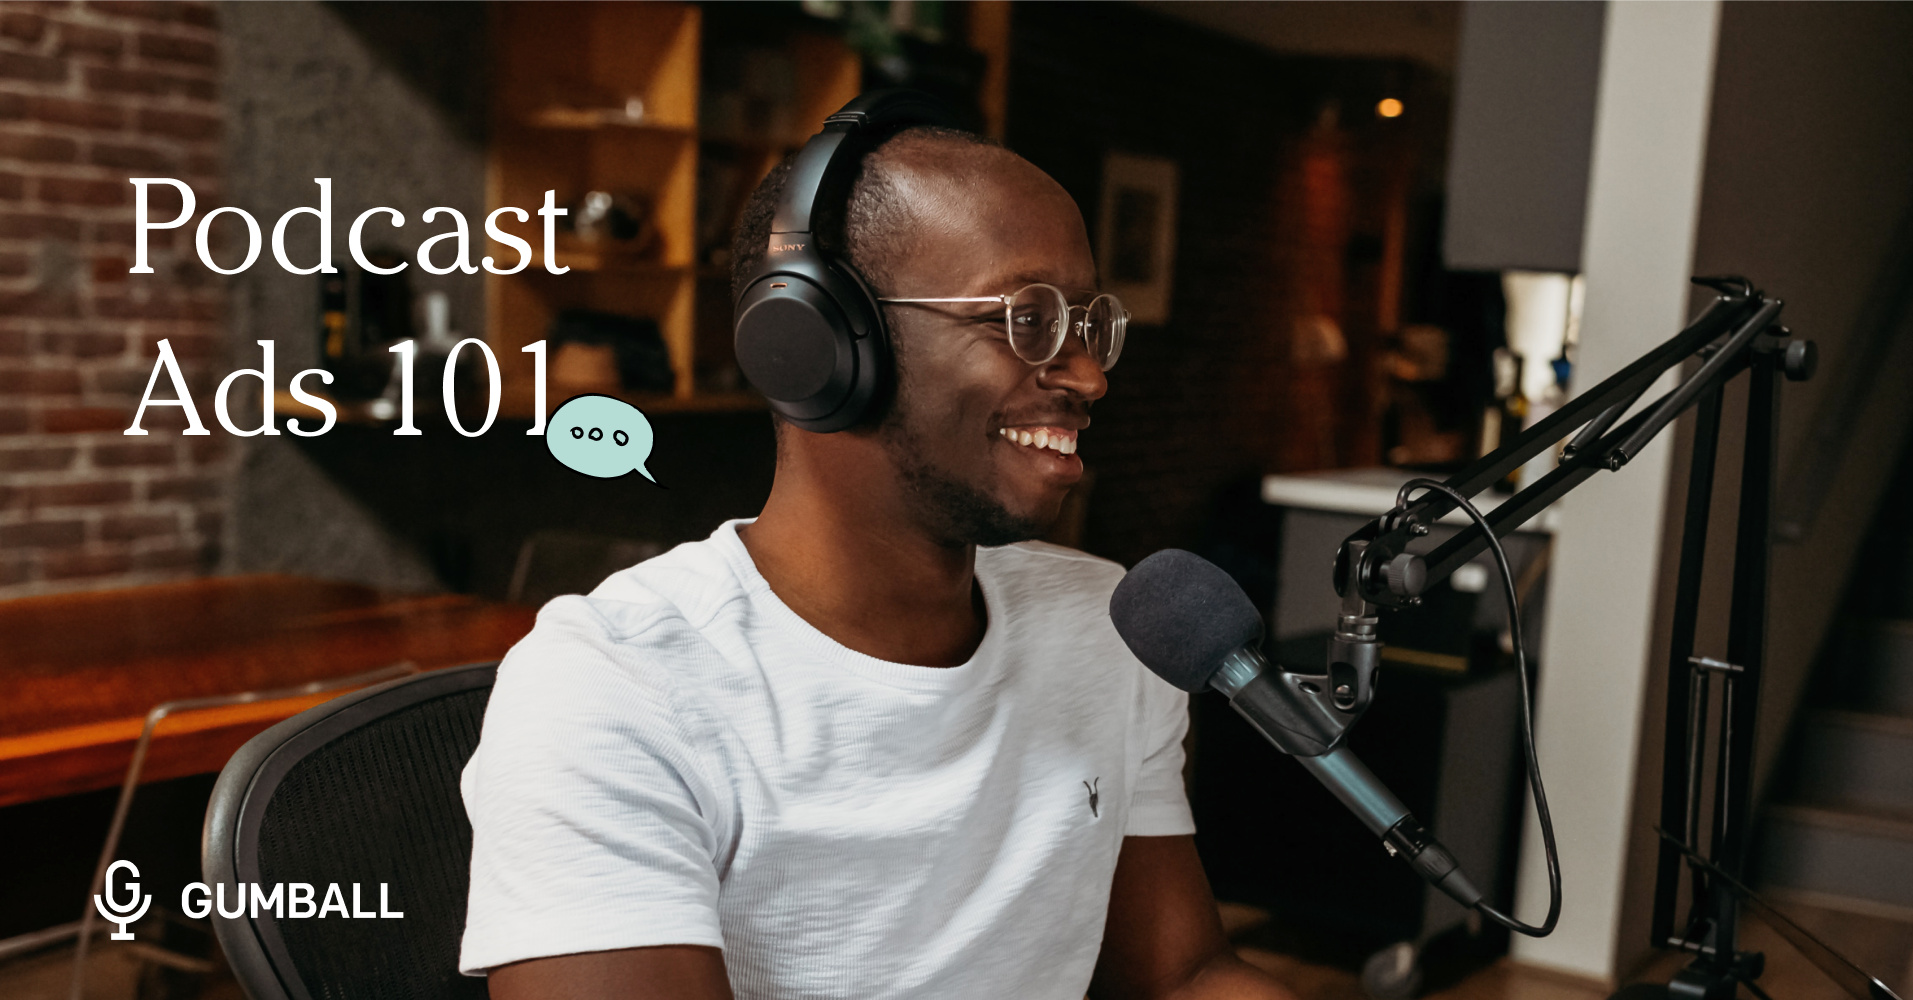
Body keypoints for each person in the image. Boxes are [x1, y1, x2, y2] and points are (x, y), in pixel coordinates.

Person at [460, 121, 1299, 1000]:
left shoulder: (1112, 627)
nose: (1088, 378)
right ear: (818, 342)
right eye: (1028, 319)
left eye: (1088, 324)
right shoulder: (617, 687)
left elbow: (1185, 976)